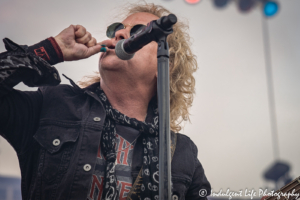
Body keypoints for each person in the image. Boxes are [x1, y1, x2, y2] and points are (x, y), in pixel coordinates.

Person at [0, 3, 211, 200]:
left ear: (165, 65)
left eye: (138, 31)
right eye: (117, 28)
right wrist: (50, 50)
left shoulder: (182, 153)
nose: (119, 33)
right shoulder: (52, 105)